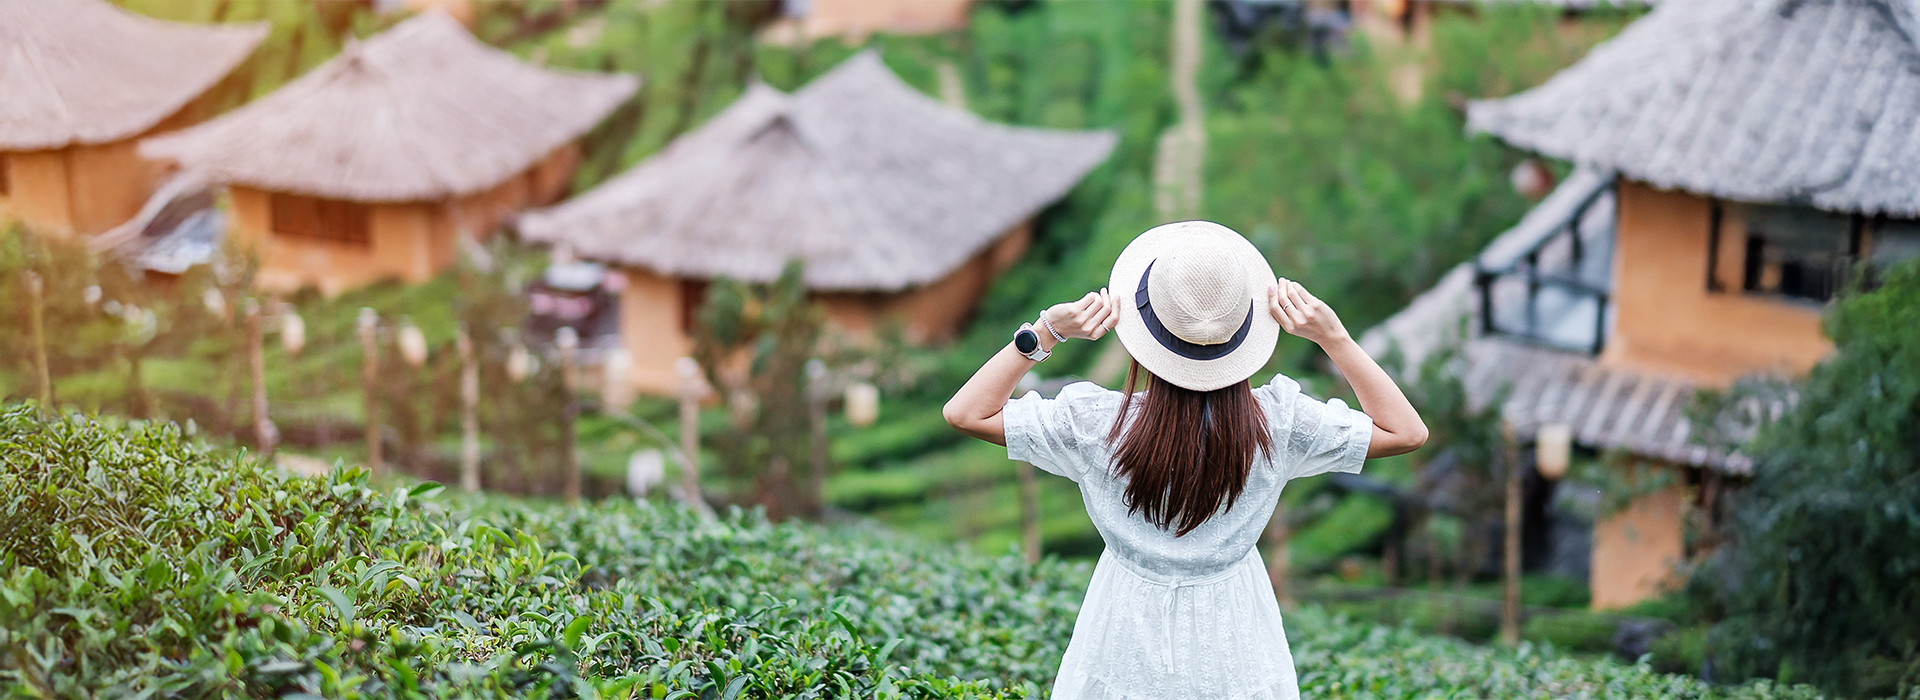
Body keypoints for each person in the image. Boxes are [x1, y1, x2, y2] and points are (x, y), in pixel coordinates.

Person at [943, 221, 1427, 700]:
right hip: (1238, 636)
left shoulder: (1095, 424)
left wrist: (1044, 332)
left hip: (1121, 630)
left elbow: (965, 413)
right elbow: (1406, 432)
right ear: (1244, 333)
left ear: (1143, 332)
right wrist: (1334, 337)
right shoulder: (1278, 424)